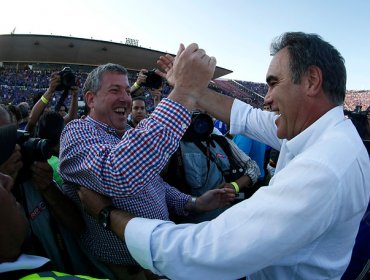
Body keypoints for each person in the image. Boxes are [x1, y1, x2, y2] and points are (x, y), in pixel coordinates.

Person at [79, 33, 370, 280]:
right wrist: (189, 88)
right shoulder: (322, 132)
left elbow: (200, 251)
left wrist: (108, 215)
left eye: (273, 83)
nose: (266, 98)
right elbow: (244, 115)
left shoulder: (324, 167)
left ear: (311, 81)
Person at [59, 59, 232, 279]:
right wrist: (184, 92)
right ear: (91, 99)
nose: (126, 98)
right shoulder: (77, 132)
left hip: (159, 260)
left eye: (127, 90)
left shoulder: (126, 133)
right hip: (125, 270)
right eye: (115, 90)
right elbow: (117, 173)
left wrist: (195, 203)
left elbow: (156, 186)